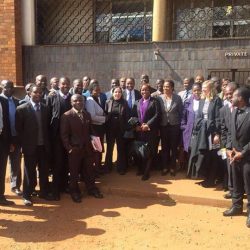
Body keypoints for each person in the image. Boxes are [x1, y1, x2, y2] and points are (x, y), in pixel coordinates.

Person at [60, 94, 103, 203]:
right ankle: (74, 191)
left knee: (89, 170)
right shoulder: (66, 116)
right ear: (71, 102)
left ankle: (91, 189)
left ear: (83, 102)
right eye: (75, 100)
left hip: (87, 149)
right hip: (74, 150)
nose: (78, 102)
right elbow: (64, 136)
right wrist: (69, 148)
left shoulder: (87, 114)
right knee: (74, 172)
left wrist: (95, 142)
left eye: (80, 100)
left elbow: (90, 130)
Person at [16, 85, 53, 206]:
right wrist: (23, 146)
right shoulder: (21, 109)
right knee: (29, 172)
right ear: (30, 93)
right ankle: (27, 195)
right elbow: (19, 130)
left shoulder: (46, 108)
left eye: (40, 92)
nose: (37, 94)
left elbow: (48, 127)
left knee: (43, 171)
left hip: (44, 146)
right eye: (35, 92)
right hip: (30, 147)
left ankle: (44, 192)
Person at [223, 87, 250, 228]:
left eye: (233, 96)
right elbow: (229, 132)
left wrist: (243, 152)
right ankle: (236, 206)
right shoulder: (233, 112)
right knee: (236, 183)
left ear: (241, 98)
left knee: (248, 184)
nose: (230, 98)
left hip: (247, 157)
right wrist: (228, 148)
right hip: (234, 155)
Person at [188, 80, 223, 186]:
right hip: (203, 132)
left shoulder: (217, 100)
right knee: (204, 155)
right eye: (202, 87)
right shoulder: (202, 100)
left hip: (212, 133)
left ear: (211, 88)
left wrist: (217, 134)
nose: (202, 90)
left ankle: (212, 180)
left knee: (213, 155)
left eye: (205, 88)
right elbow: (199, 116)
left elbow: (218, 118)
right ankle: (206, 177)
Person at [46, 77, 72, 200]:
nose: (65, 86)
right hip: (56, 136)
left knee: (67, 162)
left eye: (67, 84)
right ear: (59, 85)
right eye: (63, 84)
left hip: (70, 137)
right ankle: (55, 190)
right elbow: (47, 116)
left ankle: (64, 186)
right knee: (57, 162)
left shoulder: (73, 98)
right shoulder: (52, 97)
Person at [134, 83, 160, 180]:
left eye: (146, 90)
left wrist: (148, 124)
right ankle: (140, 169)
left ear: (150, 91)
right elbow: (135, 116)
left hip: (150, 131)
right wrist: (136, 126)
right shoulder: (137, 102)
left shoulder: (155, 102)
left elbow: (157, 115)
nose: (144, 92)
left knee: (150, 151)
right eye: (142, 90)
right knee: (140, 151)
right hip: (140, 131)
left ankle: (147, 172)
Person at [0, 80, 22, 196]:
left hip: (16, 138)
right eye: (6, 87)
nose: (9, 89)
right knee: (2, 166)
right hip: (3, 140)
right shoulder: (0, 101)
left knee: (16, 164)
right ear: (2, 87)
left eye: (11, 87)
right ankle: (1, 193)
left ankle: (16, 186)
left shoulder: (17, 102)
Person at [158, 80, 183, 176]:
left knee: (173, 147)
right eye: (164, 86)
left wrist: (180, 126)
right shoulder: (159, 98)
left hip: (174, 126)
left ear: (172, 88)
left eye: (167, 86)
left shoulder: (177, 98)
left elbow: (181, 113)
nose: (165, 88)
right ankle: (165, 167)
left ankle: (173, 167)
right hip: (163, 126)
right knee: (165, 148)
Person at [104, 86, 129, 174]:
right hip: (110, 130)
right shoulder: (108, 102)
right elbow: (105, 115)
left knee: (120, 149)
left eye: (119, 92)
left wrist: (126, 128)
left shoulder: (124, 103)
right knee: (109, 148)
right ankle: (107, 167)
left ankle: (121, 168)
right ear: (112, 93)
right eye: (115, 92)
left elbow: (127, 117)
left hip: (120, 129)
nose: (117, 94)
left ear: (121, 94)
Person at [220, 83, 238, 199]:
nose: (228, 96)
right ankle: (232, 190)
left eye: (230, 94)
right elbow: (223, 129)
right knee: (230, 168)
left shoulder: (245, 108)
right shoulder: (223, 110)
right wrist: (225, 147)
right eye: (226, 94)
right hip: (229, 145)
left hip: (242, 146)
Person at [85, 82, 106, 175]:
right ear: (90, 91)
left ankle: (97, 168)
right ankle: (95, 170)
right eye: (96, 90)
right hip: (94, 129)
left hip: (99, 128)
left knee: (99, 149)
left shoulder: (96, 99)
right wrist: (105, 119)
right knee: (96, 150)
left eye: (99, 90)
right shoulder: (89, 100)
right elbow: (92, 117)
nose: (98, 92)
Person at [0, 94, 15, 205]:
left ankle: (1, 196)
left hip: (2, 141)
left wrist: (10, 141)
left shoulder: (3, 101)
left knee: (1, 169)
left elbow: (7, 122)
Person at [181, 82, 202, 154]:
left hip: (201, 131)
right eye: (194, 90)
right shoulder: (187, 102)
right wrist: (185, 127)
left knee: (200, 150)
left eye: (198, 90)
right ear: (192, 91)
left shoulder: (205, 101)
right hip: (190, 131)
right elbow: (183, 117)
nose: (197, 92)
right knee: (190, 150)